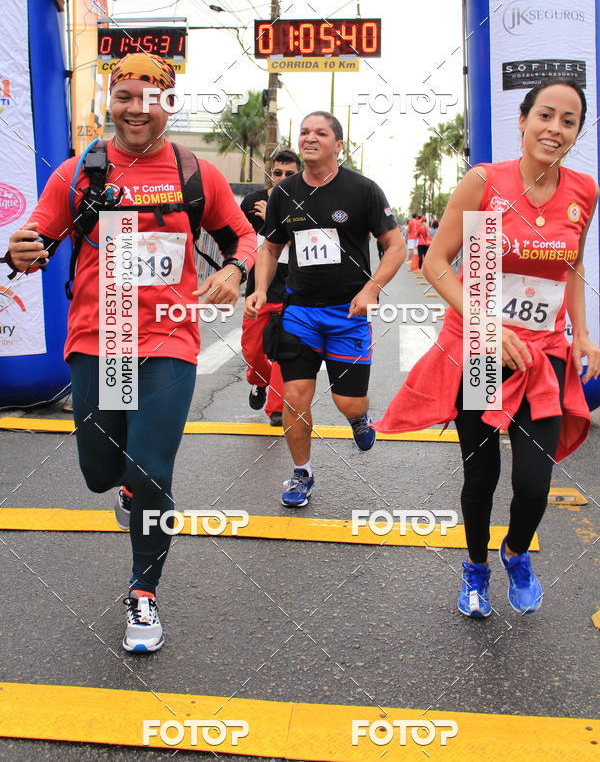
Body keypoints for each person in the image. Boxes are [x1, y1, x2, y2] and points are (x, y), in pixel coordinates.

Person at [3, 54, 256, 652]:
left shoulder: (197, 172)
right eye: (125, 97)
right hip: (99, 337)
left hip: (170, 339)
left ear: (169, 105)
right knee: (99, 472)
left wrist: (238, 270)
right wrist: (22, 250)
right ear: (109, 102)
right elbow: (38, 233)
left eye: (151, 98)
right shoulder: (78, 173)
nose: (136, 110)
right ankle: (124, 488)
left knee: (152, 470)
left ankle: (143, 593)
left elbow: (241, 235)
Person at [376, 80, 599, 617]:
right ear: (522, 122)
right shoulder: (485, 183)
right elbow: (436, 263)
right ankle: (475, 569)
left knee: (534, 483)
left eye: (568, 121)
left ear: (576, 133)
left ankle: (515, 552)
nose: (555, 128)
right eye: (545, 115)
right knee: (482, 475)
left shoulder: (583, 191)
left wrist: (582, 332)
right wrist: (488, 326)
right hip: (480, 352)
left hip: (541, 356)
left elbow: (570, 268)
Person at [245, 111, 405, 507]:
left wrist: (371, 289)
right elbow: (270, 247)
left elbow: (395, 246)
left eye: (320, 132)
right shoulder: (283, 193)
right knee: (294, 398)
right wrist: (261, 288)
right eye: (304, 131)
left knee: (347, 400)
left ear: (339, 144)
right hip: (299, 311)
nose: (309, 138)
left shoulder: (362, 190)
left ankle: (358, 419)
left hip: (347, 313)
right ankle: (302, 474)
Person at [241, 149, 301, 427]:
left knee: (285, 352)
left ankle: (277, 409)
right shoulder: (253, 202)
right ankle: (258, 381)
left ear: (298, 174)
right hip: (260, 289)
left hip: (294, 289)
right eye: (278, 172)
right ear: (270, 173)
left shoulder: (305, 203)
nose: (282, 178)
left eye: (290, 174)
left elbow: (305, 245)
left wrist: (274, 223)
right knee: (253, 351)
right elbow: (239, 239)